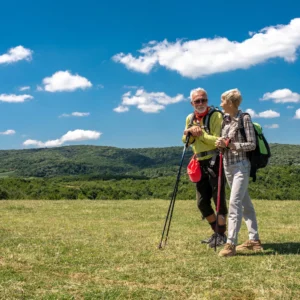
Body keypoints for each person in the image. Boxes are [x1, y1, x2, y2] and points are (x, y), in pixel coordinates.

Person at [215, 88, 263, 257]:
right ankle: (254, 241)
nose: (221, 104)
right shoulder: (225, 121)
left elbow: (252, 144)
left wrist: (233, 145)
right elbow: (225, 142)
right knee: (245, 202)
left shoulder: (245, 119)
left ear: (230, 102)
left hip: (242, 165)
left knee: (234, 202)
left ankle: (230, 244)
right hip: (228, 165)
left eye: (223, 101)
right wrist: (221, 143)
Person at [183, 88, 228, 248]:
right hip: (199, 161)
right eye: (197, 101)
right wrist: (189, 132)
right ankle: (217, 231)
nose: (201, 103)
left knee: (219, 200)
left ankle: (221, 235)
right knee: (202, 202)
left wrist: (199, 134)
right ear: (192, 103)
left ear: (207, 100)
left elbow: (218, 140)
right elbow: (185, 141)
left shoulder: (216, 115)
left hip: (216, 160)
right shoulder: (190, 118)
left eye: (203, 100)